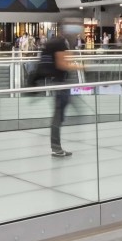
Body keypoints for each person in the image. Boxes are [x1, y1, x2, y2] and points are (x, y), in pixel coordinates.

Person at [37, 26, 78, 158]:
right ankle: (56, 147)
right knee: (58, 116)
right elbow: (62, 64)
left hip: (59, 82)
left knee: (59, 116)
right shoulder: (60, 43)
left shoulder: (59, 43)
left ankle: (56, 147)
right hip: (60, 83)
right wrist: (81, 66)